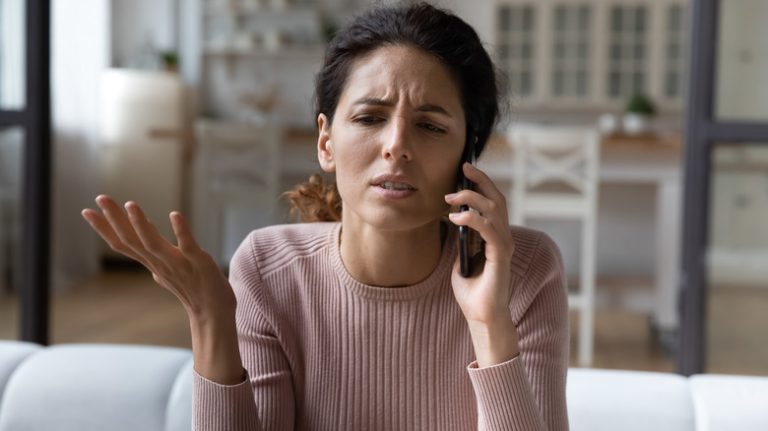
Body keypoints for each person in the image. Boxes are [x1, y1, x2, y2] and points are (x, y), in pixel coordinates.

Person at [82, 2, 569, 430]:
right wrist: (211, 318)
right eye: (369, 117)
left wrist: (489, 323)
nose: (396, 145)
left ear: (468, 152)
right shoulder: (269, 269)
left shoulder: (523, 271)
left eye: (430, 125)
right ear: (325, 141)